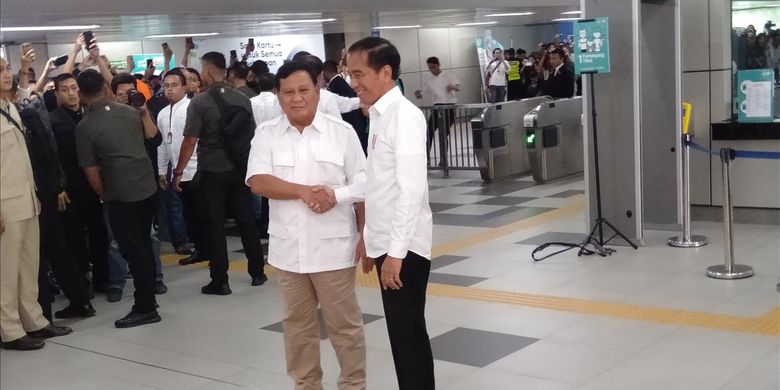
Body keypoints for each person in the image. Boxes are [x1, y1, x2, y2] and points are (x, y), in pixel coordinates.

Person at [246, 60, 368, 390]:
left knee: (344, 326)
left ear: (318, 90)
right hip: (288, 252)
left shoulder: (341, 133)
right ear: (278, 95)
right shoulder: (267, 134)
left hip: (333, 248)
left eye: (303, 90)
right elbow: (257, 181)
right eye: (288, 92)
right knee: (297, 328)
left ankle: (354, 386)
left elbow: (365, 184)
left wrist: (351, 216)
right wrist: (302, 191)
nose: (296, 99)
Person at [347, 37, 435, 390]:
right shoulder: (381, 115)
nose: (354, 83)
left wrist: (394, 254)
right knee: (401, 335)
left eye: (359, 74)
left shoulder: (405, 118)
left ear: (385, 72)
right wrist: (372, 241)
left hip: (406, 250)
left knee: (408, 334)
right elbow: (375, 180)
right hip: (390, 246)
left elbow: (410, 190)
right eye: (349, 74)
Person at [174, 51, 266, 294]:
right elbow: (252, 135)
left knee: (214, 224)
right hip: (239, 168)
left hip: (212, 170)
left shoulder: (200, 102)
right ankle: (258, 272)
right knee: (246, 220)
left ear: (205, 71)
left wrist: (179, 171)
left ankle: (220, 281)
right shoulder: (243, 99)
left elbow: (190, 140)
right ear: (224, 71)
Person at [75, 69, 161, 328]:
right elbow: (152, 136)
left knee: (134, 250)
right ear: (105, 87)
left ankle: (145, 307)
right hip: (147, 187)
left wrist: (105, 195)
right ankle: (149, 297)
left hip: (121, 194)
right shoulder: (132, 112)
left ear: (80, 94)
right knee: (144, 244)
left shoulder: (85, 127)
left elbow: (91, 171)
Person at [1, 57, 72, 350]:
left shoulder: (10, 109)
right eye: (0, 71)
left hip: (26, 200)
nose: (7, 74)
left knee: (29, 265)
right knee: (6, 270)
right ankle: (9, 329)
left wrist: (35, 195)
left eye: (6, 69)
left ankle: (34, 319)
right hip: (5, 205)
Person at [49, 73, 111, 297]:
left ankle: (102, 278)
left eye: (74, 88)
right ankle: (81, 279)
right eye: (64, 89)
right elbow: (51, 157)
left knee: (99, 232)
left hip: (94, 185)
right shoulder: (52, 121)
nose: (71, 93)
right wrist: (58, 186)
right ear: (57, 94)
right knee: (74, 236)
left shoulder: (91, 115)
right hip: (70, 187)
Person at [157, 70, 209, 266]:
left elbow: (196, 140)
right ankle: (200, 247)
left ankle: (205, 247)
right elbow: (162, 143)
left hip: (196, 168)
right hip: (177, 171)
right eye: (166, 86)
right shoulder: (162, 113)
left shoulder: (191, 107)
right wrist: (162, 170)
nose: (170, 89)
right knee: (189, 213)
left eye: (174, 85)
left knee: (200, 212)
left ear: (184, 87)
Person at [414, 56, 460, 167]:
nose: (432, 70)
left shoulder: (448, 75)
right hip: (436, 108)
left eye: (433, 67)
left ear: (438, 65)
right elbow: (421, 95)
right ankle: (427, 159)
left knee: (443, 133)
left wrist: (452, 87)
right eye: (430, 68)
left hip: (448, 107)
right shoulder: (430, 81)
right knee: (429, 131)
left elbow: (458, 87)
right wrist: (418, 94)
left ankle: (444, 159)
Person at [324, 59, 369, 154]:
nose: (353, 85)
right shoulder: (336, 84)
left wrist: (364, 101)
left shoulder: (336, 85)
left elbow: (346, 103)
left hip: (352, 125)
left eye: (357, 75)